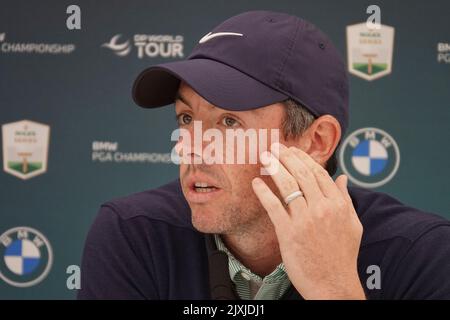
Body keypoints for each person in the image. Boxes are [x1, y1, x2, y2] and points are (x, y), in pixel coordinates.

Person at [78, 10, 450, 300]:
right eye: (187, 117)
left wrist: (334, 290)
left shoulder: (423, 256)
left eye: (228, 121)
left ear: (317, 140)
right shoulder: (135, 234)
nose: (190, 146)